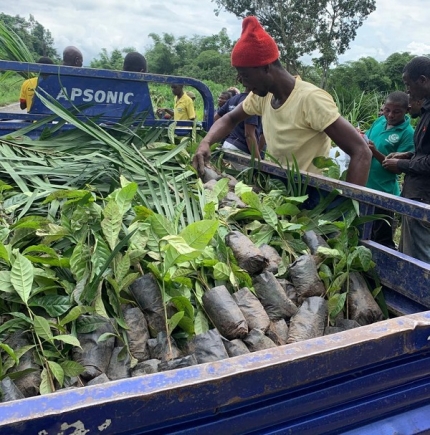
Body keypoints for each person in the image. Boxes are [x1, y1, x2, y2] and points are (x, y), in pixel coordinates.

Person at [192, 16, 371, 186]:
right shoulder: (262, 96)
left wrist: (349, 204)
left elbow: (361, 151)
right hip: (278, 186)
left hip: (311, 194)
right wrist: (206, 142)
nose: (243, 83)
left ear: (266, 67)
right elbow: (230, 119)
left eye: (245, 75)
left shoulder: (310, 99)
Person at [382, 56, 430, 263]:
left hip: (424, 198)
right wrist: (408, 155)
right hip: (415, 195)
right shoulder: (426, 110)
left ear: (422, 80)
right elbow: (425, 152)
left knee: (419, 261)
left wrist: (401, 164)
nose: (407, 90)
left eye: (407, 84)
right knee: (408, 254)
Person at [365, 91, 415, 249]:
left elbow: (397, 168)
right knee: (362, 233)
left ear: (407, 110)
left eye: (396, 111)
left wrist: (375, 152)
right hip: (365, 186)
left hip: (384, 191)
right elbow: (366, 141)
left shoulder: (408, 134)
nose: (390, 115)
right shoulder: (379, 121)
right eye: (387, 110)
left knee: (381, 238)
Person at [215, 86, 261, 158]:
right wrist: (258, 162)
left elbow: (216, 118)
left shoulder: (233, 99)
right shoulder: (251, 102)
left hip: (227, 144)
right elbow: (249, 135)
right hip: (240, 149)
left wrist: (226, 135)